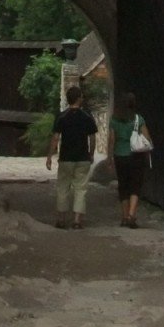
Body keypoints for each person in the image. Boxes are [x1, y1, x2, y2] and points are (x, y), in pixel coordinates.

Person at [45, 83, 98, 229]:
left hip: (66, 158)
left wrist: (49, 156)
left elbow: (55, 138)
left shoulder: (62, 117)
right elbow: (93, 137)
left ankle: (61, 220)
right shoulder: (87, 117)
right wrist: (91, 154)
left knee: (63, 188)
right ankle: (77, 221)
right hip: (82, 158)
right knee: (81, 189)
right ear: (79, 99)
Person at [107, 91, 151, 228]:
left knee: (123, 186)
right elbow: (147, 138)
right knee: (135, 186)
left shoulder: (114, 119)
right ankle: (132, 215)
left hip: (120, 156)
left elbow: (112, 140)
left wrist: (110, 157)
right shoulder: (138, 119)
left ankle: (125, 216)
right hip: (136, 156)